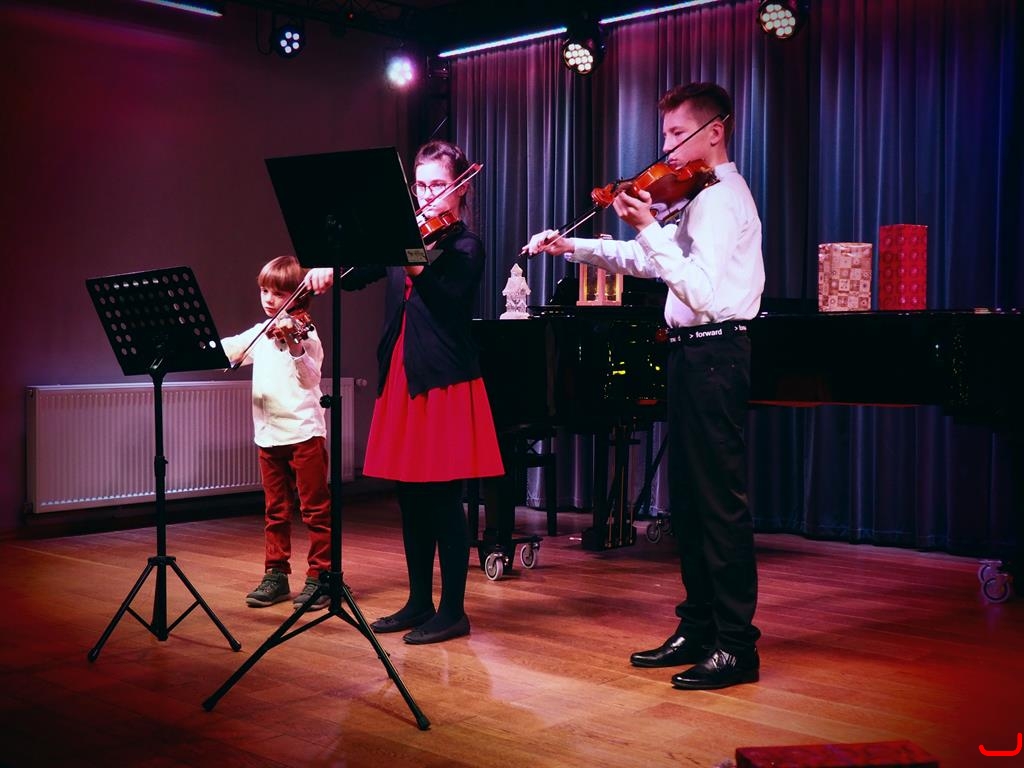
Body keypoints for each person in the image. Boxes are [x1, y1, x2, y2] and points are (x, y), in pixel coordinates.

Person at [526, 82, 765, 690]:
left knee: (718, 505)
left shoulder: (722, 198)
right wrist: (573, 247)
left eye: (677, 134)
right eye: (665, 135)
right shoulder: (695, 197)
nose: (666, 149)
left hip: (716, 352)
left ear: (715, 131)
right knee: (689, 502)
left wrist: (650, 228)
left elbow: (701, 292)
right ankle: (699, 626)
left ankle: (737, 646)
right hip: (690, 355)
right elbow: (648, 263)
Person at [306, 139, 504, 645]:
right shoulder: (406, 235)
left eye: (439, 185)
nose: (428, 194)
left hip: (442, 376)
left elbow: (446, 300)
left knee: (442, 498)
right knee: (410, 496)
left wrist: (413, 260)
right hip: (401, 371)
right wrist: (333, 266)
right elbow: (360, 275)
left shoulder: (465, 245)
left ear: (461, 189)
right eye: (420, 186)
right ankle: (419, 601)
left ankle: (453, 611)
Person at [221, 255, 331, 612]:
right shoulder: (261, 333)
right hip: (268, 435)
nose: (269, 299)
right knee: (275, 510)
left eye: (279, 293)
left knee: (315, 510)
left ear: (298, 295)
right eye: (265, 291)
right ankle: (276, 574)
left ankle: (321, 576)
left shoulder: (306, 334)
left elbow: (310, 379)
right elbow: (229, 348)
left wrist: (296, 348)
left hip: (303, 432)